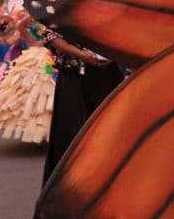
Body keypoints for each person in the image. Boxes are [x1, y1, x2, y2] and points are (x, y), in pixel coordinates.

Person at [40, 25, 124, 182]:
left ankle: (107, 184)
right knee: (73, 134)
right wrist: (82, 55)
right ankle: (74, 185)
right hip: (74, 79)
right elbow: (50, 36)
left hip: (107, 76)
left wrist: (113, 55)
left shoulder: (110, 5)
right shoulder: (62, 4)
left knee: (110, 132)